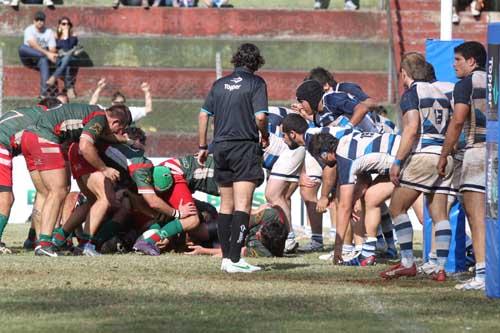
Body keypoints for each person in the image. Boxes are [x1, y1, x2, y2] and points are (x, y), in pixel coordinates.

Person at [20, 103, 133, 257]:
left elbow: (100, 136)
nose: (120, 133)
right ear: (115, 122)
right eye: (120, 129)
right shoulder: (99, 117)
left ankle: (48, 241)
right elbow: (86, 146)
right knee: (59, 190)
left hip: (29, 137)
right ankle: (47, 243)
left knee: (47, 193)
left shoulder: (92, 113)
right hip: (44, 136)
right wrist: (104, 169)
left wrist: (125, 141)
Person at [380, 52, 454, 282]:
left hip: (424, 156)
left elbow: (411, 128)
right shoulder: (442, 92)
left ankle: (407, 262)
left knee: (396, 208)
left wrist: (398, 161)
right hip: (446, 157)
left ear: (405, 73)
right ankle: (440, 268)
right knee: (440, 214)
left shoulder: (412, 93)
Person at [198, 43, 269, 273]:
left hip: (220, 147)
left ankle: (227, 258)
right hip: (244, 147)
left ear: (236, 60)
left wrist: (202, 146)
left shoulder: (219, 85)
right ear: (256, 62)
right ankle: (237, 260)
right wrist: (265, 135)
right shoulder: (256, 83)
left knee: (226, 204)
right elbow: (260, 117)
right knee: (243, 205)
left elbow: (203, 115)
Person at [438, 41, 487, 290]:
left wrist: (444, 154)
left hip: (477, 152)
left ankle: (482, 273)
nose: (453, 65)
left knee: (475, 216)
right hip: (495, 151)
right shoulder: (492, 81)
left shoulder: (465, 84)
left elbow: (457, 122)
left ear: (472, 61)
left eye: (457, 60)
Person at [309, 131, 400, 265]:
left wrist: (338, 248)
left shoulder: (344, 158)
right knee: (371, 197)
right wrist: (352, 203)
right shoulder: (345, 141)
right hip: (403, 153)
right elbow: (364, 180)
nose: (321, 163)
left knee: (373, 199)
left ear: (325, 154)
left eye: (319, 158)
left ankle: (430, 257)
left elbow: (344, 207)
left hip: (405, 159)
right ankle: (382, 251)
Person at [0, 98, 61, 254]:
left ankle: (34, 237)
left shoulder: (26, 111)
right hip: (1, 146)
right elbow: (21, 139)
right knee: (6, 199)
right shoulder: (44, 118)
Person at [18, 11, 57, 98]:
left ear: (44, 21)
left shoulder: (49, 32)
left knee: (43, 60)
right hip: (28, 58)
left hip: (40, 60)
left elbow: (53, 49)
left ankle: (43, 93)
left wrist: (49, 52)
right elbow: (32, 44)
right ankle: (43, 56)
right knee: (22, 47)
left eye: (41, 20)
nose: (39, 22)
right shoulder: (29, 29)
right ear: (34, 21)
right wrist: (47, 53)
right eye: (37, 19)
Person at [47, 17, 80, 99]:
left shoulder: (73, 36)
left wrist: (65, 36)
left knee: (68, 57)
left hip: (71, 58)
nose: (66, 26)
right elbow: (52, 49)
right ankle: (69, 88)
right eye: (63, 24)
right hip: (58, 59)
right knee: (66, 63)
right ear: (59, 25)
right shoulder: (55, 36)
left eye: (68, 24)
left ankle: (54, 77)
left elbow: (67, 48)